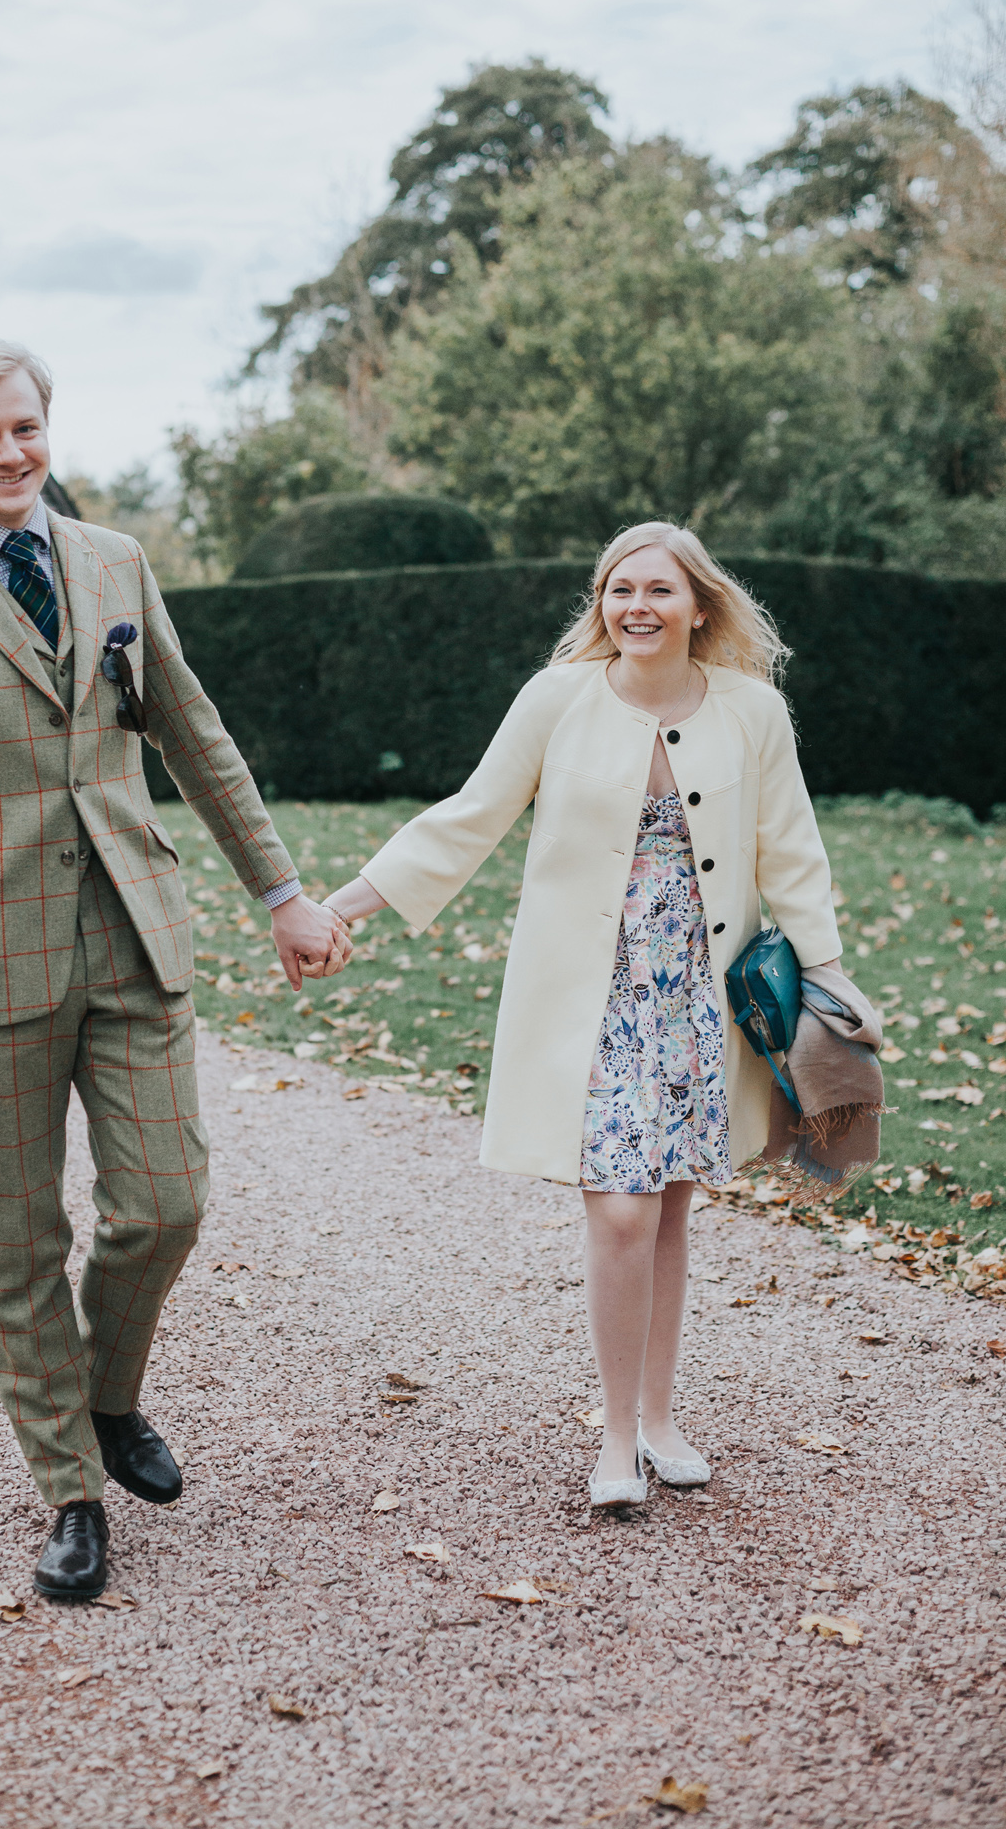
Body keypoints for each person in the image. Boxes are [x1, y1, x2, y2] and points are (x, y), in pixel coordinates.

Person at [0, 338, 350, 1597]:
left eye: (25, 429)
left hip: (135, 930)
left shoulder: (113, 562)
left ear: (44, 431)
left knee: (164, 1203)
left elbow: (191, 729)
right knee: (17, 1243)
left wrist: (279, 890)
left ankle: (108, 1394)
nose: (10, 454)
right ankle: (68, 1489)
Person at [322, 521, 842, 1508]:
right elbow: (470, 814)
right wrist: (342, 905)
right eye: (616, 590)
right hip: (591, 995)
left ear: (697, 604)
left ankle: (658, 1420)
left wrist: (830, 978)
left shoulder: (752, 712)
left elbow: (792, 848)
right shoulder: (554, 700)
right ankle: (612, 1438)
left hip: (699, 990)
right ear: (600, 605)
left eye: (655, 589)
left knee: (669, 1209)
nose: (634, 607)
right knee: (617, 1213)